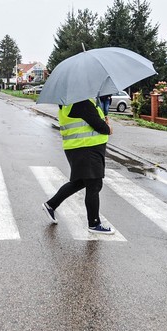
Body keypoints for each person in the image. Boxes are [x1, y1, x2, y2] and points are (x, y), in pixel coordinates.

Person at [41, 98, 114, 234]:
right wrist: (108, 128)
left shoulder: (68, 105)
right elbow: (99, 126)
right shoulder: (82, 103)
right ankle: (94, 223)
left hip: (79, 148)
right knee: (94, 184)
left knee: (80, 181)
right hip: (87, 148)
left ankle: (51, 205)